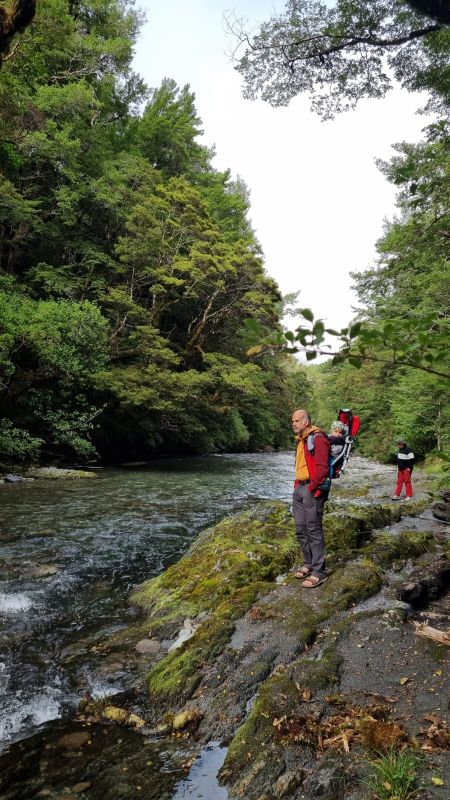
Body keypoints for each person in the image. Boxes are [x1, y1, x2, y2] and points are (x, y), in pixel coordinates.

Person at [291, 409, 331, 588]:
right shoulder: (300, 440)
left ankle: (319, 571)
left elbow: (322, 467)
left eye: (297, 420)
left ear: (306, 422)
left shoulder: (318, 438)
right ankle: (308, 563)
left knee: (313, 529)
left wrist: (313, 487)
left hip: (311, 488)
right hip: (299, 487)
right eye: (293, 421)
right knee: (301, 528)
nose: (294, 423)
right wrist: (296, 485)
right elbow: (300, 465)